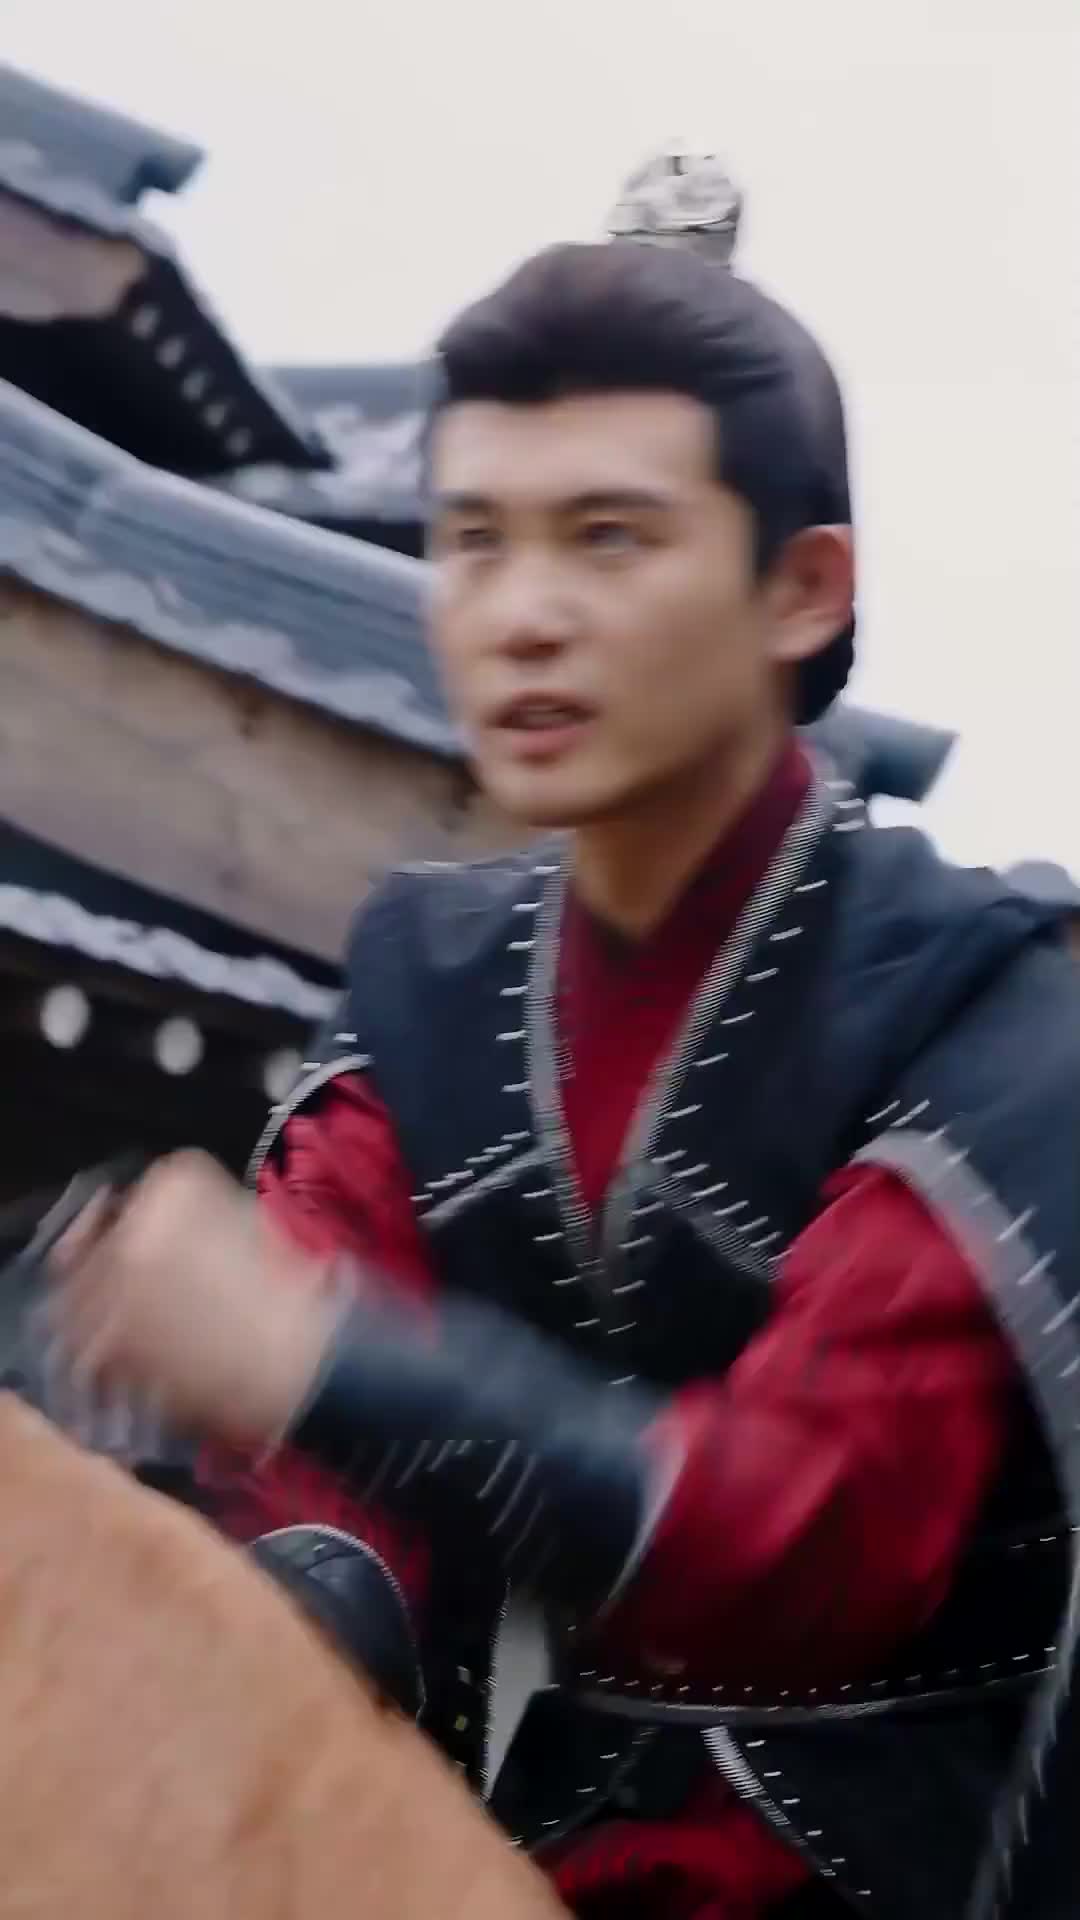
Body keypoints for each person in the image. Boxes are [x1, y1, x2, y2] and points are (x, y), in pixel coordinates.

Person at [53, 240, 1080, 1920]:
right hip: (500, 1859)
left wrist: (314, 1363)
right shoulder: (429, 978)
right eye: (475, 539)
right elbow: (315, 1480)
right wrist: (264, 1604)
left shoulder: (993, 1001)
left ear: (802, 588)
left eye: (610, 538)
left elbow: (807, 1538)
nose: (522, 612)